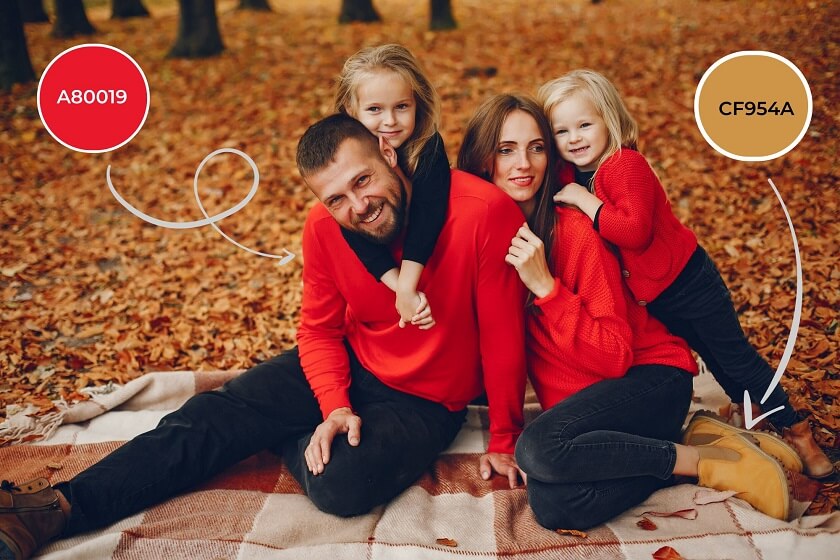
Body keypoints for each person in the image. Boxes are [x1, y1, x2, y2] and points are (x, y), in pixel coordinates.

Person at [0, 114, 528, 560]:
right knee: (206, 416)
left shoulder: (480, 213)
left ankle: (279, 431)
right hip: (350, 362)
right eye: (337, 198)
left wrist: (504, 437)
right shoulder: (324, 228)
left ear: (388, 153)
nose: (358, 206)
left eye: (362, 181)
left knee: (342, 484)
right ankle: (54, 508)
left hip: (426, 400)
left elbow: (505, 336)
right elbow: (318, 331)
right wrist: (335, 406)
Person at [457, 94, 800, 530]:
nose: (522, 163)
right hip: (591, 419)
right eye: (506, 149)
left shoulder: (575, 232)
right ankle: (680, 442)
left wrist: (547, 288)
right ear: (482, 159)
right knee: (553, 505)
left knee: (539, 449)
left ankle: (708, 461)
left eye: (536, 147)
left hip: (649, 380)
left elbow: (615, 356)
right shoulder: (491, 239)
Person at [538, 69, 833, 479]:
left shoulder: (625, 165)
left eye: (585, 125)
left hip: (688, 284)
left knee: (733, 360)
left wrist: (584, 201)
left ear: (610, 120)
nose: (574, 138)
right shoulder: (575, 172)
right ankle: (744, 414)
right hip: (653, 299)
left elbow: (634, 232)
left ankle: (797, 431)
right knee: (705, 361)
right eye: (561, 131)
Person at [335, 44, 451, 329]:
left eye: (401, 107)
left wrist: (407, 286)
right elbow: (351, 226)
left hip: (436, 264)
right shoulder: (344, 153)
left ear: (416, 104)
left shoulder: (428, 145)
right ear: (351, 110)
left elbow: (427, 213)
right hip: (378, 284)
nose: (390, 121)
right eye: (375, 109)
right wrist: (400, 287)